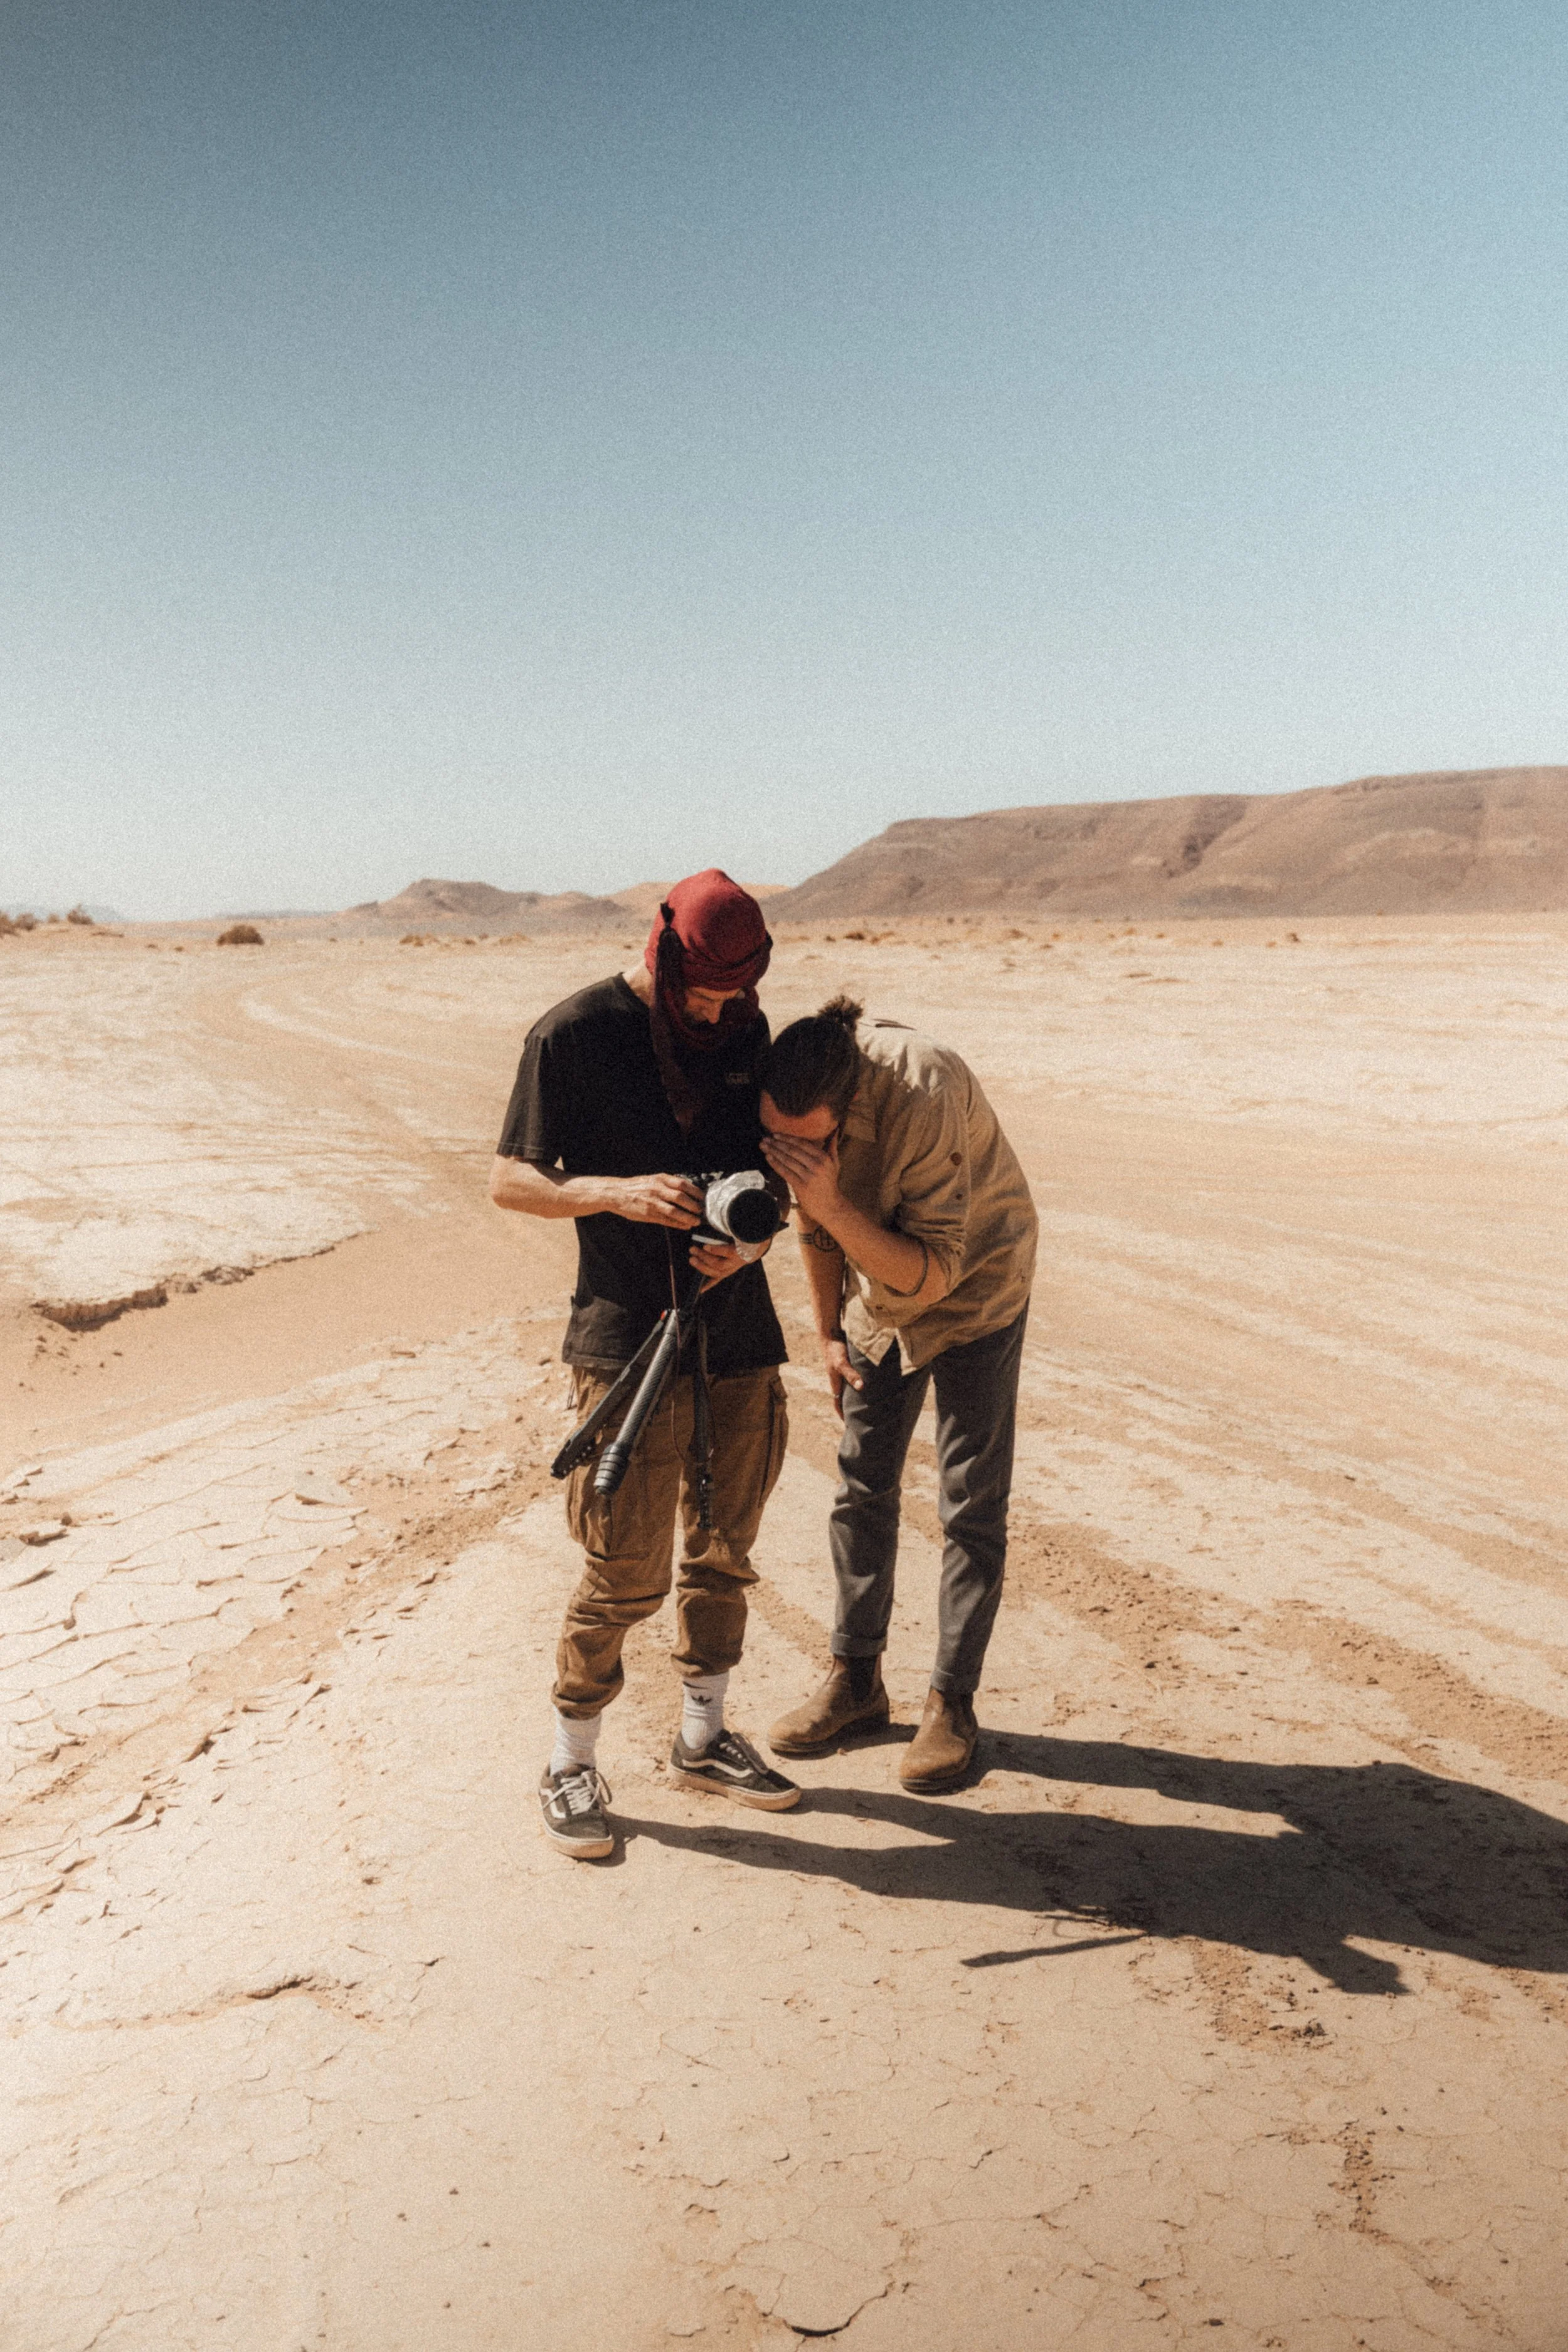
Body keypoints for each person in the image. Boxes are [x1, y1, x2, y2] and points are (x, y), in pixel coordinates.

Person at [490, 871, 800, 1860]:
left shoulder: (748, 1029)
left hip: (738, 1332)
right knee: (623, 1568)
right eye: (706, 994)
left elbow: (776, 1170)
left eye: (735, 995)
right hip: (629, 1340)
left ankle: (703, 1739)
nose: (720, 1012)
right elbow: (509, 1181)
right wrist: (614, 1193)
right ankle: (569, 1761)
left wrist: (754, 1241)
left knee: (724, 1550)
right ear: (665, 958)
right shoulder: (573, 1034)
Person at [758, 997, 1037, 1793]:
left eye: (808, 1145)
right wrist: (828, 1333)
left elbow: (932, 1272)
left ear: (847, 1113)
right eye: (779, 1141)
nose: (790, 1154)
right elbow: (815, 1229)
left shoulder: (925, 1088)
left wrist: (831, 1202)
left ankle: (952, 1702)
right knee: (859, 1483)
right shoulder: (799, 1080)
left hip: (976, 1278)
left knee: (969, 1503)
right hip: (874, 1276)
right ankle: (855, 1682)